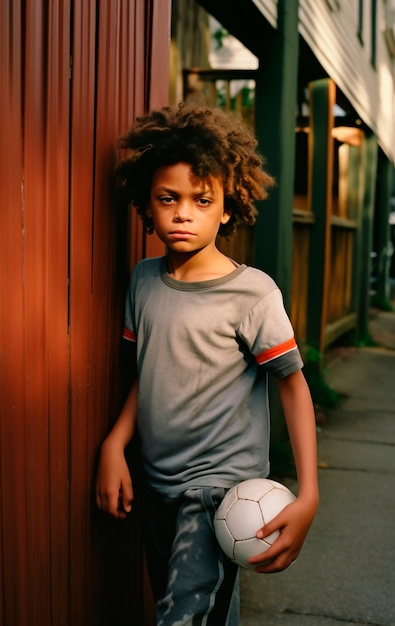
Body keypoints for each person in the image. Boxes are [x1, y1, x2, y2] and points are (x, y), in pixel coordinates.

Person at [96, 103, 319, 626]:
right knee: (196, 610)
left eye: (202, 200)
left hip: (220, 491)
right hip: (156, 486)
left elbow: (293, 385)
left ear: (227, 208)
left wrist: (308, 493)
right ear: (146, 205)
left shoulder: (251, 293)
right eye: (168, 199)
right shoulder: (144, 281)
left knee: (182, 617)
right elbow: (149, 374)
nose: (182, 213)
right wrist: (114, 443)